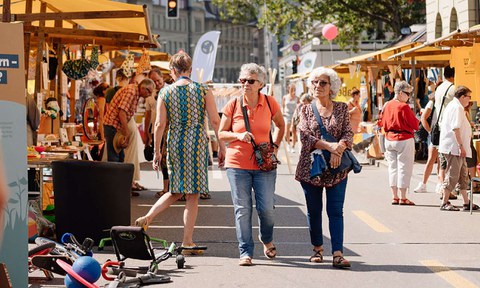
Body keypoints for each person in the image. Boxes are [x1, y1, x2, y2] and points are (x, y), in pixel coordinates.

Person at [134, 52, 225, 253]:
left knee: (174, 190)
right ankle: (187, 241)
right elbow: (215, 120)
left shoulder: (165, 93)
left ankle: (148, 217)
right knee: (192, 195)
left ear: (172, 71)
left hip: (175, 144)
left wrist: (157, 151)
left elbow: (159, 124)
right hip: (196, 145)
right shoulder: (203, 90)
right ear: (190, 70)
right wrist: (222, 146)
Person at [218, 63, 285, 266]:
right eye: (243, 80)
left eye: (250, 80)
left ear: (261, 83)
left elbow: (281, 125)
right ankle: (245, 251)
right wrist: (238, 135)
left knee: (266, 209)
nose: (245, 84)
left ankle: (266, 239)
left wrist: (275, 146)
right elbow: (221, 133)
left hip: (263, 164)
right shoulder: (233, 104)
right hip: (237, 164)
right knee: (242, 208)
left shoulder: (270, 102)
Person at [295, 67, 353, 268]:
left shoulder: (342, 108)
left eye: (323, 83)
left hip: (337, 168)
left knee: (336, 210)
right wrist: (331, 147)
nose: (317, 86)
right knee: (314, 210)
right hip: (311, 167)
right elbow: (305, 137)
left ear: (332, 87)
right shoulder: (305, 109)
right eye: (315, 82)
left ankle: (337, 253)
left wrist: (339, 149)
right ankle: (317, 249)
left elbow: (348, 133)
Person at [438, 86, 479, 211]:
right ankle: (445, 202)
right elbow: (456, 128)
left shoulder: (454, 106)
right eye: (468, 97)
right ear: (462, 97)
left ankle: (466, 202)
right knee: (453, 175)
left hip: (456, 147)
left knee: (462, 176)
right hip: (454, 148)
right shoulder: (457, 108)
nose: (469, 100)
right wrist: (461, 146)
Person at [379, 80, 418, 206]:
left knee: (392, 168)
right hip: (404, 138)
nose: (408, 97)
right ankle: (403, 197)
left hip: (389, 138)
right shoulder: (403, 106)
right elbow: (414, 124)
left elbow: (380, 122)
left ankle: (394, 196)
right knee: (404, 168)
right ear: (400, 93)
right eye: (408, 94)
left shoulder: (386, 105)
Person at [103, 77, 154, 163]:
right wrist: (126, 133)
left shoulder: (135, 91)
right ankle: (114, 176)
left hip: (115, 126)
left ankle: (119, 176)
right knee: (114, 158)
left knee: (120, 157)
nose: (149, 94)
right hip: (112, 125)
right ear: (142, 88)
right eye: (148, 91)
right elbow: (122, 113)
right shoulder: (131, 92)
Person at [145, 66, 169, 198]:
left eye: (158, 80)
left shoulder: (170, 90)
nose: (157, 84)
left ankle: (172, 188)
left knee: (168, 158)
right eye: (154, 81)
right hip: (156, 129)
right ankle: (166, 188)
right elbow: (147, 116)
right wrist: (147, 135)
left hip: (168, 129)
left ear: (162, 77)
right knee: (161, 159)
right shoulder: (150, 95)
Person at [282, 83, 298, 152]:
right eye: (291, 89)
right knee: (287, 130)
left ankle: (293, 146)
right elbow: (283, 106)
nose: (293, 90)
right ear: (289, 89)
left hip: (294, 115)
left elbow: (299, 106)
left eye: (294, 89)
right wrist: (282, 112)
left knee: (294, 131)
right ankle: (288, 144)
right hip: (287, 115)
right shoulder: (285, 97)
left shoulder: (297, 98)